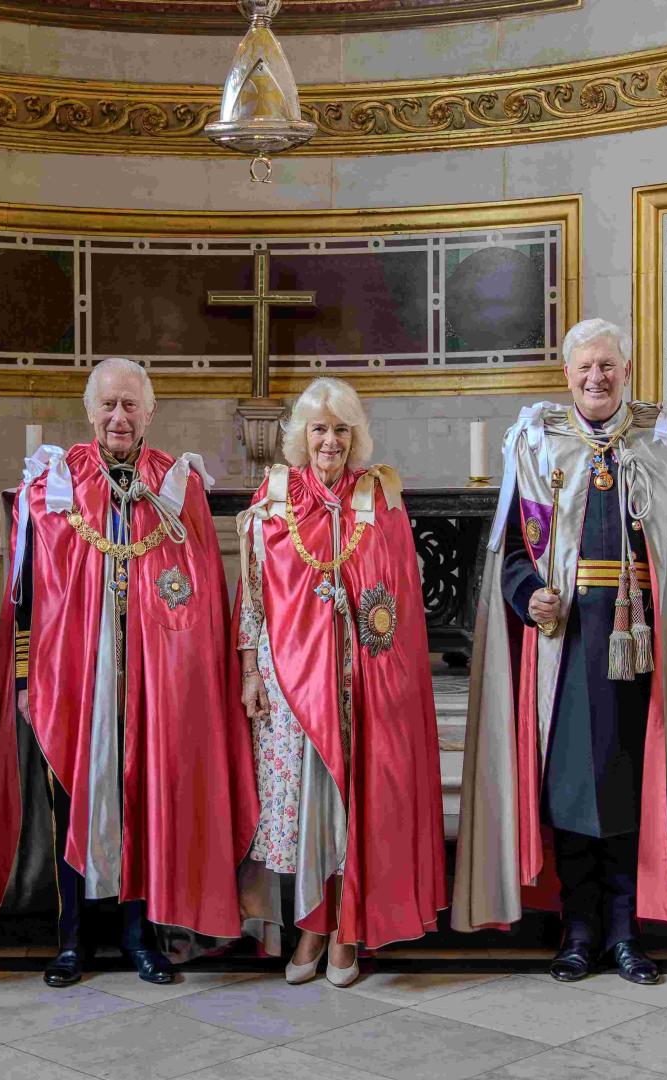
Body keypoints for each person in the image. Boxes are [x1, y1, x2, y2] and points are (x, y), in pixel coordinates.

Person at [452, 318, 667, 986]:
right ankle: (578, 931)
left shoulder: (666, 441)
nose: (596, 378)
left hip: (644, 648)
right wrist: (532, 598)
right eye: (584, 367)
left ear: (627, 369)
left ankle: (626, 932)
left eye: (607, 365)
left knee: (635, 790)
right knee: (574, 793)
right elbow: (514, 555)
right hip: (569, 649)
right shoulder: (538, 444)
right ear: (566, 375)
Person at [0, 357, 257, 987]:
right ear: (89, 410)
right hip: (73, 681)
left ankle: (140, 936)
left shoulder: (178, 484)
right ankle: (72, 940)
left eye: (131, 405)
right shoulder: (54, 480)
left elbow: (204, 593)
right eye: (108, 404)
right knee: (73, 801)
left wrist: (194, 682)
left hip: (157, 685)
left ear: (151, 412)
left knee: (145, 799)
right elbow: (24, 590)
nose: (119, 417)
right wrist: (25, 678)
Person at [236, 377, 445, 988]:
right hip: (289, 685)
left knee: (353, 804)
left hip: (361, 683)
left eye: (342, 429)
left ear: (356, 437)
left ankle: (348, 929)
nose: (330, 440)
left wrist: (394, 678)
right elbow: (251, 595)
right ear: (301, 435)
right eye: (320, 428)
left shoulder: (379, 495)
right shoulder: (274, 495)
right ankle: (310, 924)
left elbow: (400, 597)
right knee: (306, 809)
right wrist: (251, 670)